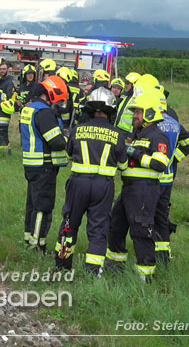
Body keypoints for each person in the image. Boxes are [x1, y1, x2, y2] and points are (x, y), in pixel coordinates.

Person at [54, 87, 127, 275]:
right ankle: (93, 271)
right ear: (111, 110)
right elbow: (123, 165)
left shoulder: (77, 130)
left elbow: (70, 154)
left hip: (78, 183)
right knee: (99, 229)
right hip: (103, 187)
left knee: (70, 223)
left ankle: (62, 265)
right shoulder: (118, 134)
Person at [105, 90, 170, 281]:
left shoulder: (158, 136)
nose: (135, 116)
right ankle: (115, 266)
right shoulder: (136, 134)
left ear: (150, 114)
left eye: (138, 112)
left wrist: (135, 153)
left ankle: (145, 275)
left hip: (144, 190)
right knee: (116, 226)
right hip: (129, 188)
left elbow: (160, 164)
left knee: (141, 231)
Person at [21, 76, 69, 251]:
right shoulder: (45, 112)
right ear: (51, 94)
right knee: (43, 206)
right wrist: (67, 138)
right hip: (44, 166)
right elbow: (56, 141)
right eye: (58, 100)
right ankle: (37, 245)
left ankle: (29, 238)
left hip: (31, 164)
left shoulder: (29, 109)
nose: (58, 104)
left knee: (32, 205)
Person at [149, 87, 189, 265]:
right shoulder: (174, 122)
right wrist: (175, 159)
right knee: (161, 217)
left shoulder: (152, 123)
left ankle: (148, 251)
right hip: (168, 178)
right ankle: (163, 256)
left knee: (147, 216)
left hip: (151, 178)